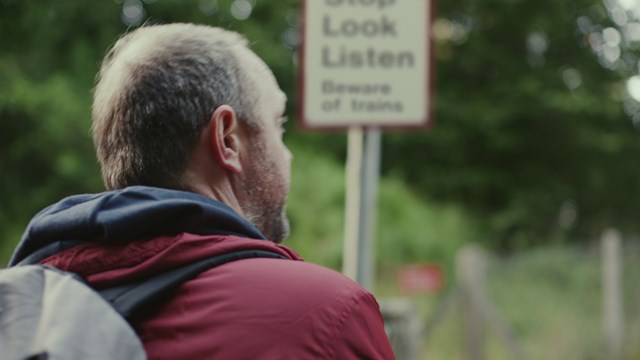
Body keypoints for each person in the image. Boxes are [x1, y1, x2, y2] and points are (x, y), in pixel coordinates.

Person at [8, 23, 395, 359]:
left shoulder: (21, 313)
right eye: (278, 125)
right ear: (227, 138)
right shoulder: (325, 315)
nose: (287, 154)